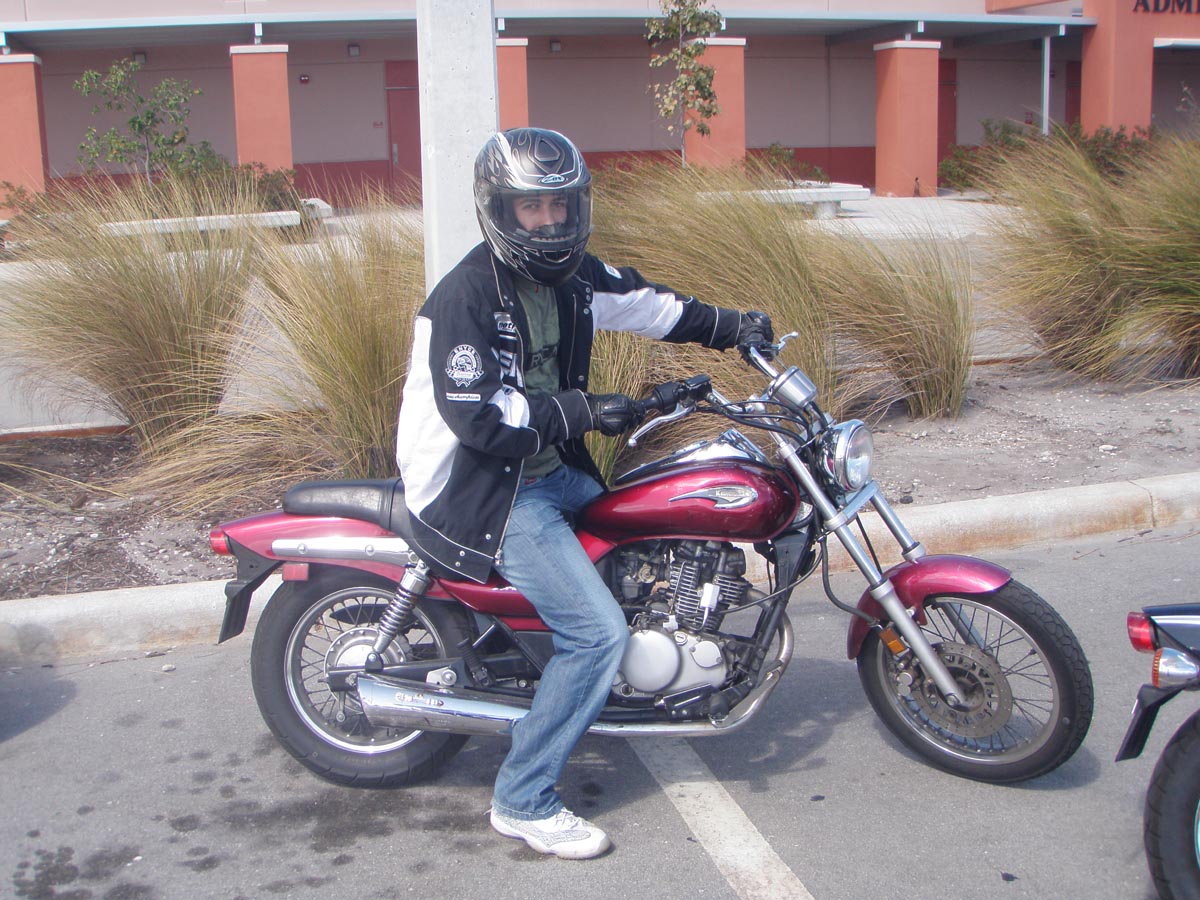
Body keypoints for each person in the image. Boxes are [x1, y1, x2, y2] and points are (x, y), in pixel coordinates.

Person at [396, 127, 772, 859]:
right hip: (489, 487)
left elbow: (649, 306)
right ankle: (523, 798)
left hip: (546, 468)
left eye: (560, 207)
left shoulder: (574, 278)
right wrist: (584, 411)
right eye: (531, 208)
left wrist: (733, 328)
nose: (549, 223)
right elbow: (481, 418)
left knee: (656, 531)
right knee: (597, 635)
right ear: (500, 210)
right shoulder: (465, 299)